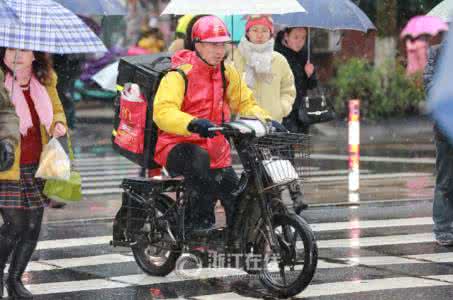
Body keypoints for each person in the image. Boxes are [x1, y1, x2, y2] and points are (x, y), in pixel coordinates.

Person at [153, 15, 273, 235]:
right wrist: (192, 123)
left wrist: (266, 120)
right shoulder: (179, 74)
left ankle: (238, 241)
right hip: (177, 146)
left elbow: (245, 103)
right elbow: (162, 112)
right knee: (200, 168)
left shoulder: (228, 73)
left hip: (215, 149)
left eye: (223, 44)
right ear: (197, 44)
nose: (219, 50)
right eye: (212, 44)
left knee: (237, 196)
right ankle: (198, 229)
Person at [0, 48, 68, 298]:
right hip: (6, 166)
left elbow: (57, 109)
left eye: (23, 50)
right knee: (14, 225)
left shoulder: (45, 80)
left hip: (37, 165)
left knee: (32, 227)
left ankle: (15, 281)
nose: (16, 55)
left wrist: (58, 123)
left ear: (35, 55)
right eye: (10, 50)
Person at [232, 15, 296, 123]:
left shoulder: (279, 60)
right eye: (255, 30)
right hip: (245, 123)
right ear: (247, 32)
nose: (260, 35)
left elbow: (288, 90)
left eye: (265, 30)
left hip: (272, 122)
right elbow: (230, 90)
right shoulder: (237, 58)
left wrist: (281, 108)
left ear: (271, 33)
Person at [424, 41, 453, 247]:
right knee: (445, 179)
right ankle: (442, 227)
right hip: (445, 126)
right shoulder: (437, 52)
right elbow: (430, 85)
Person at [275, 27, 318, 134]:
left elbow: (311, 85)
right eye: (296, 37)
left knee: (298, 147)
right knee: (283, 145)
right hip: (283, 110)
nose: (300, 42)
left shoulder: (304, 56)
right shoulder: (277, 55)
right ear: (286, 36)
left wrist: (310, 75)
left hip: (300, 112)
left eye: (303, 38)